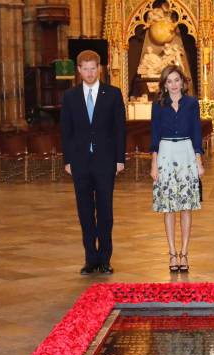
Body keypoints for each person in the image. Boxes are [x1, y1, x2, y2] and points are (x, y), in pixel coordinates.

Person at [60, 50, 126, 275]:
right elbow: (66, 132)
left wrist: (119, 159)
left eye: (93, 68)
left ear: (100, 68)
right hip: (79, 162)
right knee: (85, 211)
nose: (89, 73)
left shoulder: (113, 94)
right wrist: (68, 160)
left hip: (106, 161)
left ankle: (105, 258)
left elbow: (119, 129)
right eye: (85, 69)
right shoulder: (70, 97)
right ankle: (90, 258)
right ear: (78, 70)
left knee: (105, 211)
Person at [150, 65, 204, 272]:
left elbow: (196, 133)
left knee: (186, 207)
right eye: (169, 81)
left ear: (183, 82)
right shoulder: (158, 105)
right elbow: (154, 135)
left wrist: (198, 162)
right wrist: (154, 164)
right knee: (169, 207)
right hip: (165, 152)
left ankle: (184, 252)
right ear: (164, 85)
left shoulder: (191, 103)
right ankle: (172, 253)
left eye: (176, 80)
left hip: (186, 152)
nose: (173, 85)